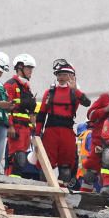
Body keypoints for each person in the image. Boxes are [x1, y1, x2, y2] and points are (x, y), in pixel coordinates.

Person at [35, 59, 91, 188]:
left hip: (67, 133)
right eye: (59, 74)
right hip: (50, 132)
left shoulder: (74, 93)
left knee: (66, 166)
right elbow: (41, 114)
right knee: (45, 164)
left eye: (64, 74)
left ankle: (63, 194)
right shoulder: (49, 92)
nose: (61, 77)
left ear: (71, 76)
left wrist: (75, 90)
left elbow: (87, 103)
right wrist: (37, 134)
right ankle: (43, 192)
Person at [3, 54, 37, 177]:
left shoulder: (27, 88)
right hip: (16, 127)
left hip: (26, 129)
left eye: (32, 69)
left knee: (23, 161)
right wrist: (10, 126)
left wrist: (34, 127)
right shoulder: (10, 85)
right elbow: (6, 108)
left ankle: (16, 183)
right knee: (17, 157)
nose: (31, 71)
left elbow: (31, 110)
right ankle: (10, 183)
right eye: (29, 68)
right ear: (20, 68)